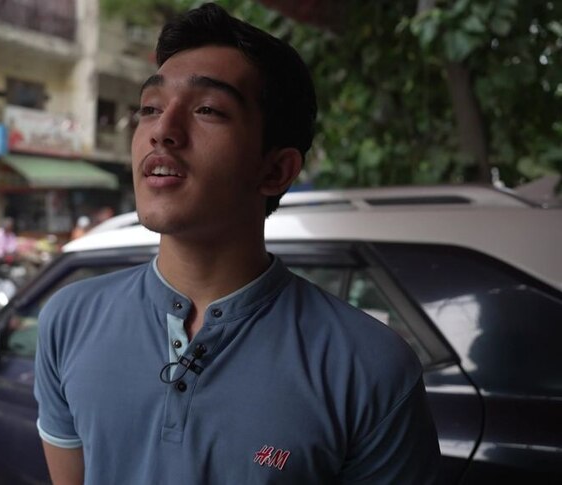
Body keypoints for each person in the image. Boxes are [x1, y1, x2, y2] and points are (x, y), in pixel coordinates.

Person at [34, 4, 440, 484]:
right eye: (150, 108)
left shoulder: (370, 369)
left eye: (207, 109)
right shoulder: (68, 321)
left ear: (275, 170)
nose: (162, 131)